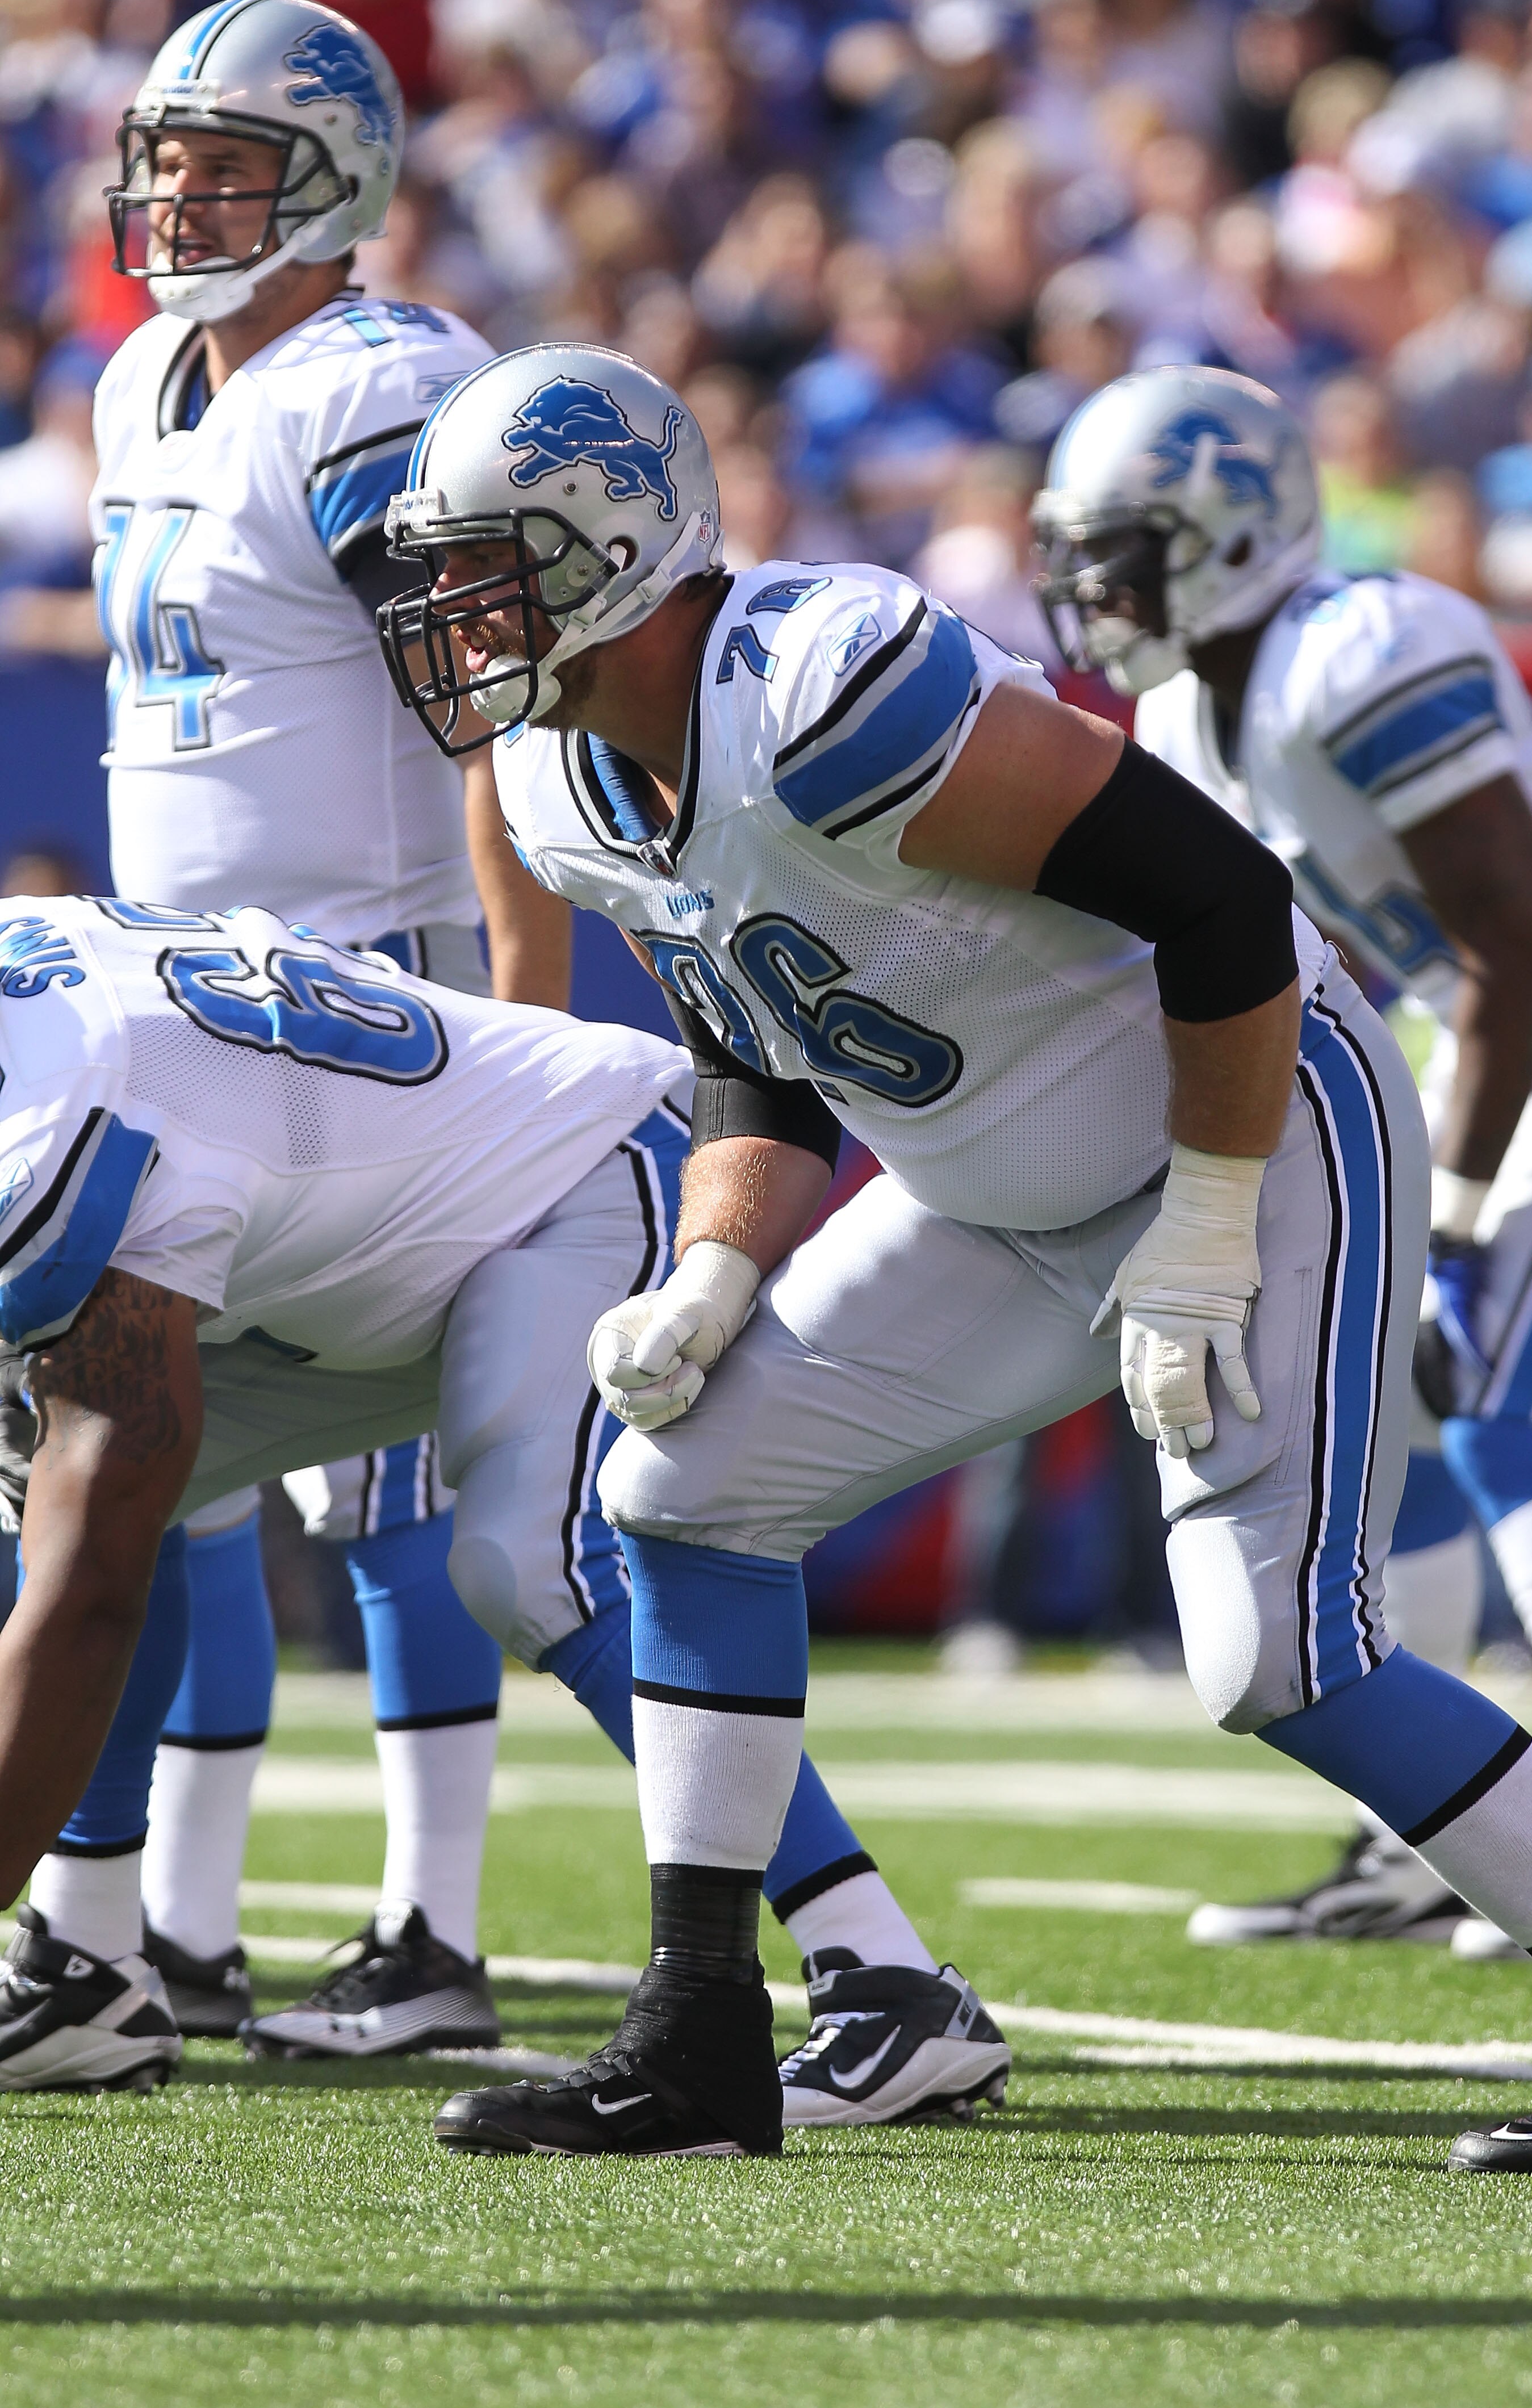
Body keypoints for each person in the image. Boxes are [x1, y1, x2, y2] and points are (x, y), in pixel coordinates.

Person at [374, 341, 1532, 2175]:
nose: (455, 612)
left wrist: (1204, 1232)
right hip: (993, 1185)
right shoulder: (571, 780)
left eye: (495, 565)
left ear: (619, 547)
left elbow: (1220, 902)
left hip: (1259, 1123)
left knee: (1278, 1652)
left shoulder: (825, 689)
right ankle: (699, 2036)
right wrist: (719, 1270)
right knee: (681, 1488)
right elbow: (763, 1045)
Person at [0, 898, 1006, 2126]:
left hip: (585, 1168)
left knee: (529, 1564)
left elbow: (91, 1595)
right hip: (382, 1238)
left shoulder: (61, 1131)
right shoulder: (42, 1008)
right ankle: (86, 1965)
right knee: (42, 1484)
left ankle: (888, 1977)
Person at [1036, 365, 1532, 1962]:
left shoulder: (1366, 647)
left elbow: (1513, 947)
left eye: (1128, 550)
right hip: (1493, 1036)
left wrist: (1460, 1213)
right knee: (1408, 1418)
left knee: (1495, 1397)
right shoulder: (1178, 711)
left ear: (1232, 537)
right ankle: (1416, 1844)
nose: (1099, 592)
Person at [88, 0, 569, 2055]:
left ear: (341, 179)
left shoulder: (382, 382)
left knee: (372, 1488)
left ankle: (428, 1930)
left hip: (367, 980)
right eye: (168, 156)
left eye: (229, 162)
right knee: (157, 1454)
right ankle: (171, 1927)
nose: (182, 192)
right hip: (178, 994)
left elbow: (488, 706)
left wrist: (525, 1007)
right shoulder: (141, 377)